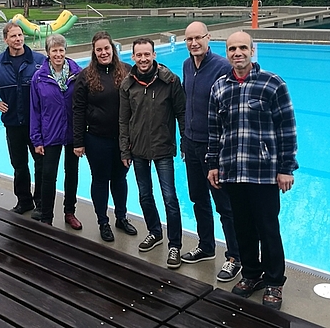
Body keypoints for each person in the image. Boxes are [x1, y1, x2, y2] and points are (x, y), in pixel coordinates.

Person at [206, 31, 298, 310]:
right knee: (243, 227)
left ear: (252, 50)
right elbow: (214, 130)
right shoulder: (220, 87)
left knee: (268, 228)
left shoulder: (272, 83)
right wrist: (213, 163)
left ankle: (274, 281)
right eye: (232, 48)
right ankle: (251, 274)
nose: (238, 53)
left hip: (264, 172)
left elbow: (287, 128)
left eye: (242, 47)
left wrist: (285, 168)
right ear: (227, 52)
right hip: (233, 171)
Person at [180, 22, 242, 282]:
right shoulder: (186, 65)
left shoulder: (222, 67)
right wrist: (184, 140)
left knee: (224, 205)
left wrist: (220, 152)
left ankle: (235, 257)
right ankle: (206, 245)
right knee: (198, 199)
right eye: (189, 39)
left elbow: (232, 112)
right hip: (191, 144)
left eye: (198, 38)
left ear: (208, 38)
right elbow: (186, 106)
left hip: (213, 148)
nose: (194, 43)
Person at [119, 38, 186, 269]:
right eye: (139, 55)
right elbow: (123, 120)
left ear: (154, 55)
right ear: (133, 57)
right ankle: (155, 232)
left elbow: (182, 114)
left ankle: (175, 245)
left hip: (162, 148)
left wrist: (184, 142)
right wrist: (124, 149)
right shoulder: (127, 85)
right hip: (137, 150)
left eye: (147, 54)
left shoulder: (170, 81)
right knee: (145, 195)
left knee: (170, 198)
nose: (143, 59)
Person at [72, 31, 138, 242]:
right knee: (100, 180)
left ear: (113, 49)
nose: (103, 53)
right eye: (99, 49)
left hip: (122, 140)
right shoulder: (85, 76)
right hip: (97, 139)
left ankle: (121, 217)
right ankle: (103, 221)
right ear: (94, 51)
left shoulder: (127, 71)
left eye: (106, 48)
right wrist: (79, 141)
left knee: (120, 179)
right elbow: (78, 110)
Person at [0, 22, 46, 216]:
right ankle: (24, 201)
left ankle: (40, 203)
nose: (18, 39)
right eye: (14, 36)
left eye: (20, 35)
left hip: (36, 125)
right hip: (13, 123)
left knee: (41, 164)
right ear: (5, 39)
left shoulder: (38, 61)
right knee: (19, 165)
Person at [30, 34, 83, 229]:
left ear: (65, 51)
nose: (58, 54)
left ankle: (70, 212)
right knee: (48, 175)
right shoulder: (39, 77)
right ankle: (46, 217)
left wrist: (82, 135)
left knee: (72, 173)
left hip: (72, 134)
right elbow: (34, 110)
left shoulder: (78, 74)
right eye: (54, 50)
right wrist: (36, 139)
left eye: (61, 50)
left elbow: (84, 105)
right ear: (48, 53)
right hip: (50, 133)